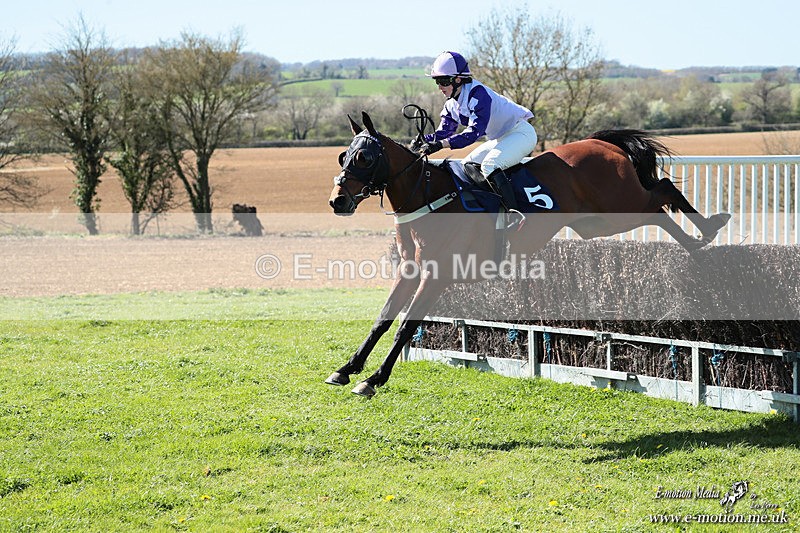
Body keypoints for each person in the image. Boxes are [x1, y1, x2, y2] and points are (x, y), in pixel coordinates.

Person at [418, 51, 537, 212]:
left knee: (490, 165)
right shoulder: (451, 103)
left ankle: (514, 213)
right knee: (467, 165)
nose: (440, 87)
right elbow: (444, 131)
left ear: (458, 80)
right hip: (501, 138)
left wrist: (440, 145)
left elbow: (473, 133)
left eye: (443, 81)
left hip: (521, 133)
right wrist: (422, 140)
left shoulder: (478, 94)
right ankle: (489, 207)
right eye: (437, 81)